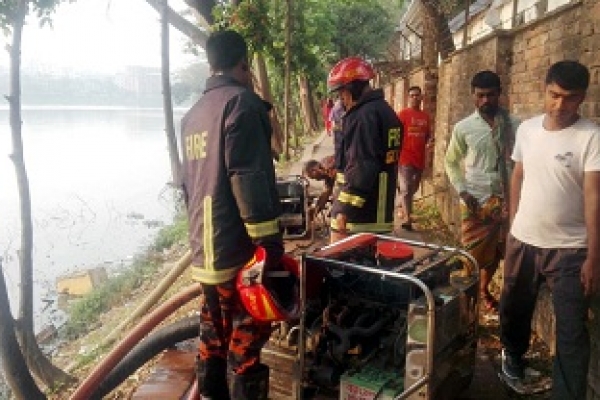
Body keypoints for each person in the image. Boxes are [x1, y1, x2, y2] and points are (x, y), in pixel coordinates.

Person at [180, 30, 285, 400]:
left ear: (211, 64)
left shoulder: (191, 116)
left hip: (203, 253)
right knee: (245, 342)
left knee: (212, 335)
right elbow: (248, 180)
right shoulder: (243, 104)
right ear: (244, 64)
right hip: (239, 252)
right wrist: (267, 246)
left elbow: (188, 186)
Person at [499, 60, 600, 399]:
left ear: (582, 98)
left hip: (571, 251)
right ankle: (512, 358)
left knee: (571, 332)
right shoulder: (527, 130)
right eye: (554, 95)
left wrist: (593, 257)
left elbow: (593, 196)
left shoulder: (591, 137)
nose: (560, 105)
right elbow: (518, 175)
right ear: (545, 89)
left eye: (570, 98)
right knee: (514, 308)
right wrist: (513, 224)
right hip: (523, 241)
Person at [444, 70, 519, 312]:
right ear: (473, 96)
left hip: (508, 202)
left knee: (497, 253)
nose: (485, 100)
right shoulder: (464, 128)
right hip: (475, 202)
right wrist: (463, 192)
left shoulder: (515, 126)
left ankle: (484, 289)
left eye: (491, 95)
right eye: (480, 96)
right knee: (471, 255)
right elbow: (451, 162)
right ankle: (466, 305)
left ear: (500, 94)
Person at [326, 56, 402, 243]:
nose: (341, 100)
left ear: (352, 89)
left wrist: (344, 210)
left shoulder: (362, 116)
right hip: (379, 208)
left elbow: (363, 165)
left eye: (342, 93)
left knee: (339, 265)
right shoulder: (384, 111)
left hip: (361, 213)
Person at [396, 86, 433, 231]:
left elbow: (428, 135)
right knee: (406, 188)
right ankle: (407, 218)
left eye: (417, 95)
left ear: (421, 98)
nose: (414, 98)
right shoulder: (403, 115)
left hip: (419, 158)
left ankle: (401, 205)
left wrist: (430, 141)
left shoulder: (425, 117)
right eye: (411, 95)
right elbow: (396, 133)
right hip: (405, 157)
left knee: (413, 188)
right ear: (408, 97)